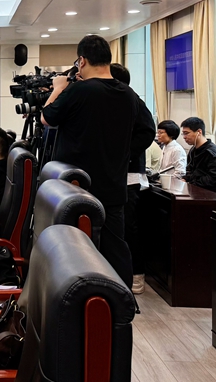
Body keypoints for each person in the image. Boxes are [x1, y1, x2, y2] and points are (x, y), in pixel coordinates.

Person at [41, 35, 155, 287]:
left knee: (74, 246)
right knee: (115, 246)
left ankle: (80, 295)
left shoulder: (79, 90)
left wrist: (58, 87)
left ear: (82, 61)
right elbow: (148, 129)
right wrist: (124, 153)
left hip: (76, 187)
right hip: (113, 185)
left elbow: (47, 118)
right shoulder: (128, 94)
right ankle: (121, 297)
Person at [110, 62, 149, 295]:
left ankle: (137, 273)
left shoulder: (133, 100)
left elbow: (147, 132)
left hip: (129, 176)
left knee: (129, 228)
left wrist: (124, 153)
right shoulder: (110, 100)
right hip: (110, 175)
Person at [181, 116, 216, 191]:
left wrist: (192, 182)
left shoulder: (211, 152)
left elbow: (213, 179)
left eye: (186, 133)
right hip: (194, 190)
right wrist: (185, 178)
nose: (184, 137)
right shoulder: (192, 150)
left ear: (199, 132)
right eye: (183, 134)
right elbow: (189, 170)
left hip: (209, 193)